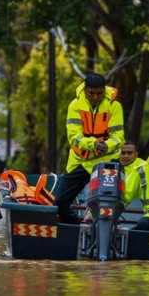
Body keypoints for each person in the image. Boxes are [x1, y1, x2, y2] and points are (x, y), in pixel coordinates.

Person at [54, 73, 125, 224]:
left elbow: (118, 137)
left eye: (99, 93)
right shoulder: (75, 105)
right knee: (60, 203)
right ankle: (77, 229)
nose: (95, 97)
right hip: (79, 161)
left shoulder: (114, 106)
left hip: (105, 162)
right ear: (85, 90)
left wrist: (107, 145)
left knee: (107, 204)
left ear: (104, 91)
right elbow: (74, 136)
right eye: (91, 93)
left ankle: (105, 232)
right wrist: (93, 144)